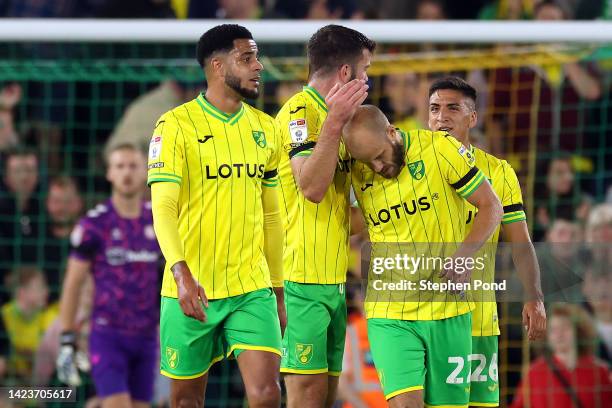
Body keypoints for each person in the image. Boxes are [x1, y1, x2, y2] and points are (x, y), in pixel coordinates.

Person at [149, 24, 285, 407]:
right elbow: (163, 207)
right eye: (247, 58)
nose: (258, 66)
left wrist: (276, 288)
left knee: (266, 395)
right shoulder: (175, 126)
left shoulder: (266, 129)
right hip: (193, 288)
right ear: (217, 65)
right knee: (186, 400)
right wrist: (181, 273)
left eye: (256, 57)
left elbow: (272, 217)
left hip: (251, 289)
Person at [345, 104, 502, 407]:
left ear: (392, 133)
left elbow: (491, 206)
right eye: (368, 161)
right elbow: (350, 221)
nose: (376, 167)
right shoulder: (358, 169)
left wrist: (464, 255)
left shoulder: (439, 149)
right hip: (390, 312)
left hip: (448, 310)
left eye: (380, 156)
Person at [427, 76, 547, 407]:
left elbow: (520, 242)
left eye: (453, 108)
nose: (442, 117)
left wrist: (534, 297)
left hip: (480, 319)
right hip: (427, 318)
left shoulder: (499, 172)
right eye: (434, 109)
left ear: (473, 117)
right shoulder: (414, 168)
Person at [275, 24, 373, 408]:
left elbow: (343, 217)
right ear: (345, 74)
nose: (367, 80)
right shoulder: (300, 113)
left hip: (331, 281)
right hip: (299, 280)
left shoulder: (339, 122)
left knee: (326, 398)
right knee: (306, 398)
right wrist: (334, 123)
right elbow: (312, 188)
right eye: (364, 71)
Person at [57, 144, 161, 408]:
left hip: (148, 336)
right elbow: (73, 283)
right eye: (120, 166)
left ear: (145, 172)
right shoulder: (95, 225)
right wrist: (68, 336)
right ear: (109, 174)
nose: (127, 173)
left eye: (133, 166)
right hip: (107, 334)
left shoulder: (159, 221)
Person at [511, 303, 612, 408]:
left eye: (565, 327)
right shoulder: (535, 372)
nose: (559, 334)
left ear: (577, 330)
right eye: (553, 330)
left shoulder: (599, 371)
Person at [0, 266, 57, 381]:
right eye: (39, 287)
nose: (47, 291)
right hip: (10, 381)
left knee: (68, 394)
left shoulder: (50, 317)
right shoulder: (5, 316)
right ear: (22, 292)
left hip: (41, 385)